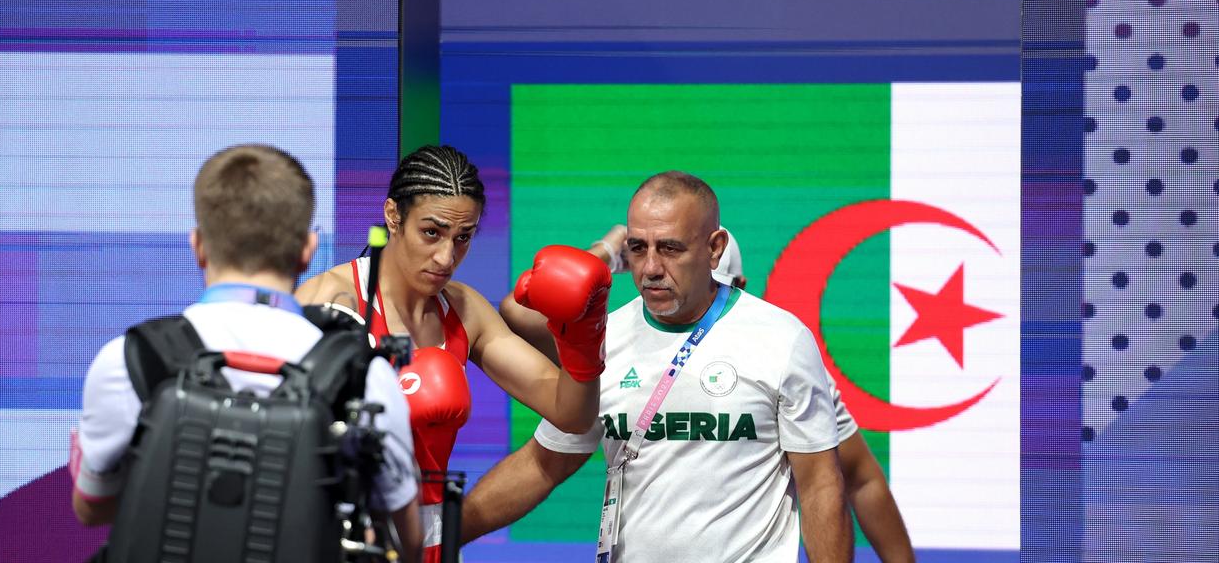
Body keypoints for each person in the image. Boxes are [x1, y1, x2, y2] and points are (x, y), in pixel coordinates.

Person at [467, 171, 853, 562]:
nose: (650, 268)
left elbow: (821, 485)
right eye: (637, 248)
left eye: (670, 249)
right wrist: (437, 537)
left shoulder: (781, 338)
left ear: (715, 248)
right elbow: (542, 464)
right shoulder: (602, 341)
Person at [71, 144, 423, 561]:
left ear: (198, 245)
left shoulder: (128, 361)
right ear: (308, 250)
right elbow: (407, 537)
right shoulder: (365, 375)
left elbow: (91, 507)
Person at [295, 144, 608, 561]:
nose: (447, 257)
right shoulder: (331, 303)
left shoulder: (463, 309)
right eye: (432, 232)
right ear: (393, 216)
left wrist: (582, 344)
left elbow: (571, 414)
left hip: (435, 546)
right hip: (343, 543)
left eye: (463, 238)